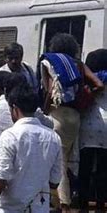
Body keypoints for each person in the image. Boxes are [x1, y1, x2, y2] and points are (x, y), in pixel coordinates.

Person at [39, 33, 103, 211]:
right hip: (75, 116)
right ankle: (60, 202)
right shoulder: (79, 64)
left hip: (57, 114)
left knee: (57, 160)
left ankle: (64, 205)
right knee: (68, 160)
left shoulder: (50, 62)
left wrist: (44, 109)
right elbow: (98, 84)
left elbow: (50, 89)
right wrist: (85, 101)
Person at [0, 84, 63, 213]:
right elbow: (54, 182)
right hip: (40, 208)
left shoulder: (10, 135)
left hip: (10, 208)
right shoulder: (53, 137)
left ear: (14, 108)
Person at [78, 49, 107, 212]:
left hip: (88, 124)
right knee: (103, 170)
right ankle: (101, 205)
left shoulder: (89, 78)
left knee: (85, 168)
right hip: (106, 126)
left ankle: (83, 206)